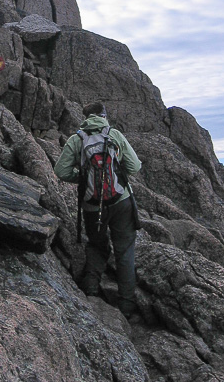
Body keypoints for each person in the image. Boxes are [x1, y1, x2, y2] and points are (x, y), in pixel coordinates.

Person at [54, 101, 142, 317]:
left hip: (93, 206)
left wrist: (84, 179)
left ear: (85, 118)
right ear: (104, 116)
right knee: (125, 252)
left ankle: (91, 290)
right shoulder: (114, 135)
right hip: (121, 201)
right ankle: (127, 306)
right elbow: (135, 166)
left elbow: (61, 171)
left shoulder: (77, 139)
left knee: (96, 245)